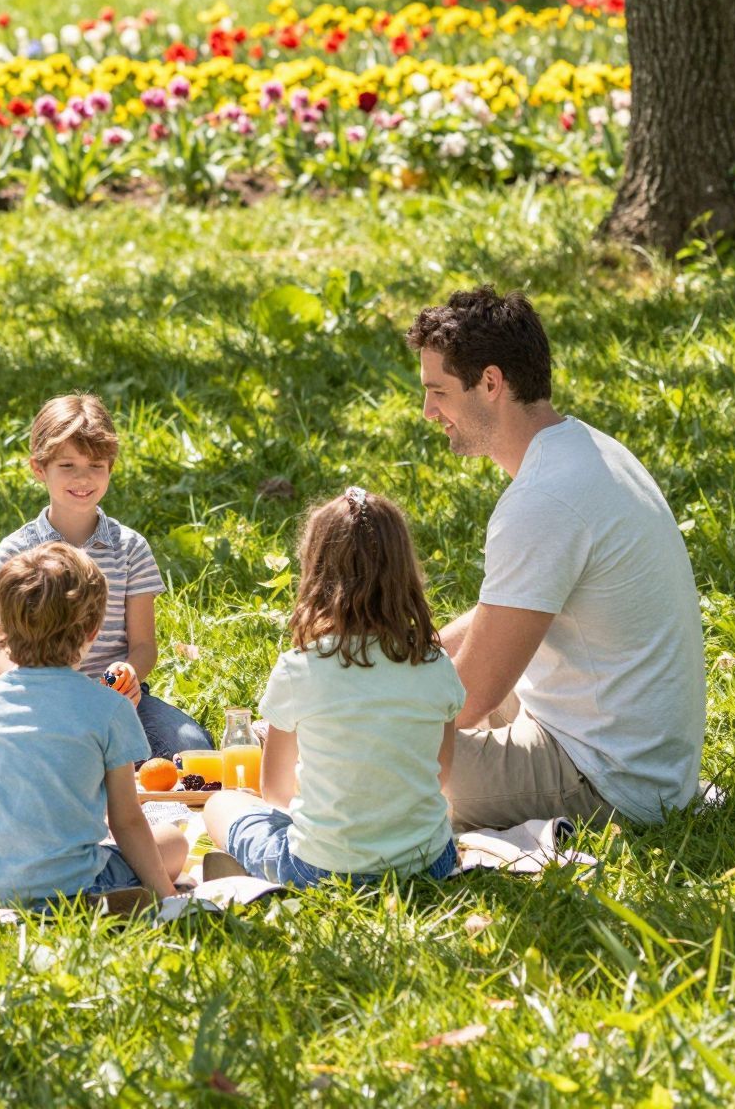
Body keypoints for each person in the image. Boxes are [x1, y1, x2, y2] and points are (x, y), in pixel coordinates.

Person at [407, 285, 706, 831]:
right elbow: (516, 609)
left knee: (371, 757)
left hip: (609, 782)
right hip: (638, 755)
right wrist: (403, 653)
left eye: (439, 392)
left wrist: (359, 705)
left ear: (491, 383)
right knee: (378, 725)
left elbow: (470, 699)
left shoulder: (543, 500)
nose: (429, 412)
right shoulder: (588, 451)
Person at [204, 489, 461, 890]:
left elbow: (275, 792)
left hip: (322, 869)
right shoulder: (435, 664)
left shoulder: (300, 667)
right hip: (430, 864)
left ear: (315, 571)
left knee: (222, 804)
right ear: (404, 571)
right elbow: (441, 774)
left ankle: (249, 865)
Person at [0, 542, 187, 907]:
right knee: (173, 842)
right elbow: (126, 821)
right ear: (93, 630)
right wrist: (168, 895)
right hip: (68, 886)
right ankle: (117, 896)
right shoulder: (109, 708)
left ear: (4, 628)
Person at [0, 392, 212, 758]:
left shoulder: (129, 547)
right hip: (42, 696)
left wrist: (128, 673)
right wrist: (30, 686)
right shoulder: (17, 550)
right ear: (39, 468)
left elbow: (143, 645)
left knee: (191, 747)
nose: (83, 478)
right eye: (68, 466)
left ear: (110, 467)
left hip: (116, 697)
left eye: (95, 465)